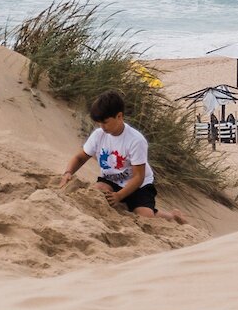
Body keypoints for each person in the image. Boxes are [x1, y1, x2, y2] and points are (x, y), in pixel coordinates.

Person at [59, 90, 187, 224]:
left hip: (139, 186)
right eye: (99, 123)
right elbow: (80, 158)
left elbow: (138, 177)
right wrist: (68, 172)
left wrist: (119, 196)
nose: (102, 127)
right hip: (111, 180)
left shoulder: (136, 140)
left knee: (145, 217)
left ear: (119, 116)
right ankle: (123, 203)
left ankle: (172, 216)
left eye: (105, 122)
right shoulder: (98, 135)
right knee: (96, 192)